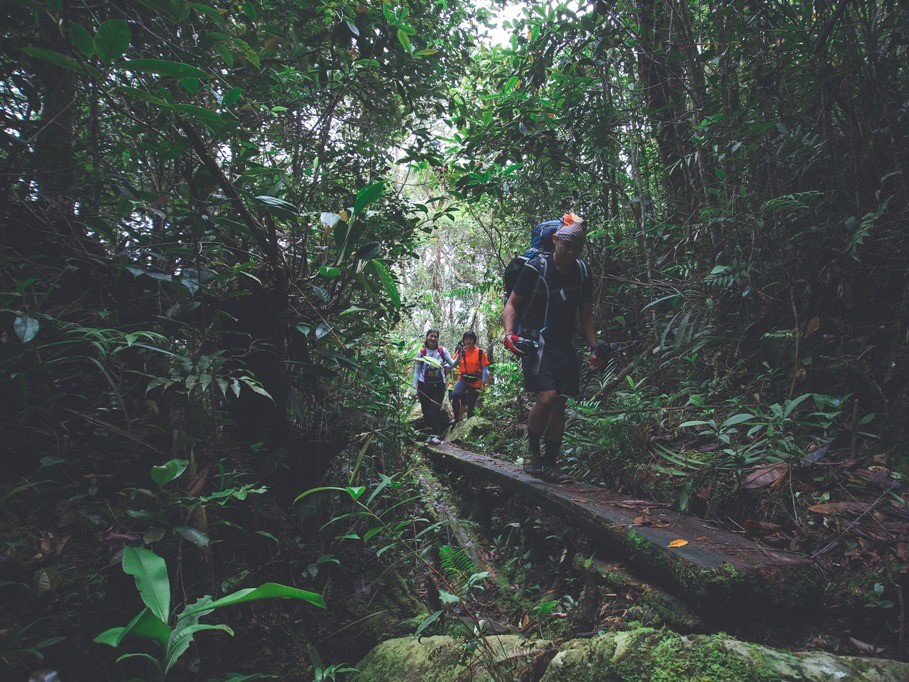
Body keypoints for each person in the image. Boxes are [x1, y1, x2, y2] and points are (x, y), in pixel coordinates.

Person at [502, 213, 607, 482]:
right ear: (555, 240)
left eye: (577, 247)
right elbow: (512, 304)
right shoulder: (536, 268)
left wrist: (594, 347)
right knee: (546, 397)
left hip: (565, 343)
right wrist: (509, 335)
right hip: (536, 342)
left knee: (559, 403)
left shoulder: (582, 272)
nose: (571, 252)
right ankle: (532, 453)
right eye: (567, 245)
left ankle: (550, 464)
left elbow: (585, 314)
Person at [413, 329, 454, 440]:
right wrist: (413, 388)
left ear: (437, 338)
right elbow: (417, 372)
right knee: (426, 411)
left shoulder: (442, 351)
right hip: (423, 385)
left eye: (435, 336)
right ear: (427, 337)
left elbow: (453, 364)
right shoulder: (421, 353)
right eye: (431, 336)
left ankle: (436, 435)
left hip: (439, 386)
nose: (433, 338)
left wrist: (460, 353)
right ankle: (429, 434)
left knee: (434, 409)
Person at [449, 331, 490, 424]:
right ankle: (456, 418)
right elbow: (452, 362)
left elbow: (484, 369)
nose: (468, 341)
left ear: (474, 340)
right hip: (463, 379)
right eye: (466, 339)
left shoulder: (480, 352)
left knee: (471, 406)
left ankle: (468, 425)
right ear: (464, 340)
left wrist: (483, 383)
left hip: (475, 381)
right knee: (455, 394)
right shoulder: (461, 351)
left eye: (470, 339)